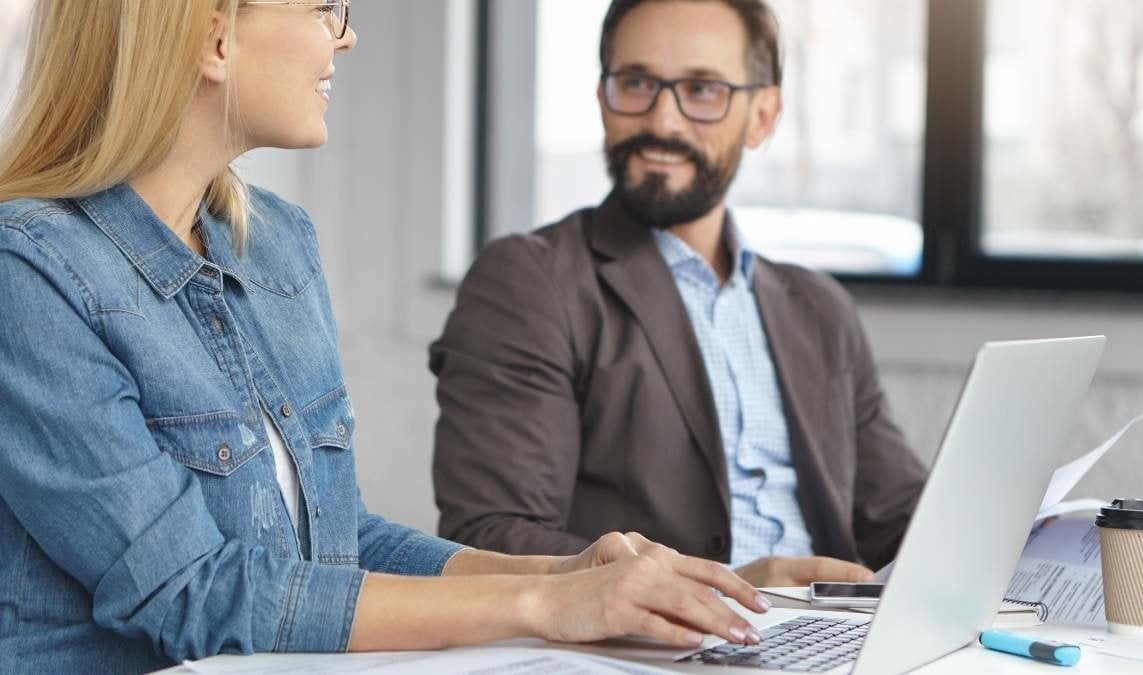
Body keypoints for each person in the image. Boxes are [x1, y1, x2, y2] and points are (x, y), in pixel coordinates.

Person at [0, 2, 773, 672]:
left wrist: (569, 571)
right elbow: (190, 591)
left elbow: (338, 546)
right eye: (321, 6)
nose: (346, 36)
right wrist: (544, 602)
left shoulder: (275, 243)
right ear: (215, 40)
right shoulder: (28, 272)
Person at [430, 0, 928, 587]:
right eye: (636, 83)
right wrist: (724, 587)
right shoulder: (532, 282)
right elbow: (491, 537)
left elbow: (904, 520)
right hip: (655, 648)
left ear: (763, 115)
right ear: (602, 98)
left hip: (834, 636)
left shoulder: (819, 308)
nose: (663, 122)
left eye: (702, 89)